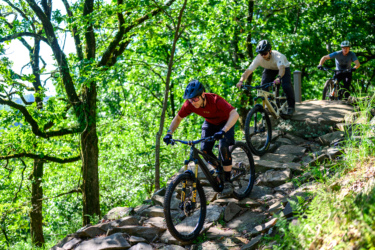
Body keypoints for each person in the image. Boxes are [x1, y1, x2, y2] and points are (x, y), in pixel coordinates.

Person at [163, 80, 239, 197]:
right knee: (204, 150)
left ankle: (228, 181)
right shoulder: (189, 104)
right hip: (210, 123)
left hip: (225, 122)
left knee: (223, 146)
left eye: (195, 99)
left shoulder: (215, 100)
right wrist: (169, 133)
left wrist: (223, 130)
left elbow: (235, 114)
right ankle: (219, 170)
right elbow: (178, 118)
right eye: (190, 99)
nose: (193, 102)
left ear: (203, 95)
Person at [236, 40, 296, 117]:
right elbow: (248, 71)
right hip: (269, 69)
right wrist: (240, 81)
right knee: (263, 86)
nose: (263, 56)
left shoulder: (278, 56)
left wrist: (278, 78)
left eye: (265, 53)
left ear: (270, 51)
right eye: (261, 54)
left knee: (286, 86)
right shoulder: (258, 59)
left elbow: (281, 69)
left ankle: (291, 106)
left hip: (283, 68)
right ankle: (270, 105)